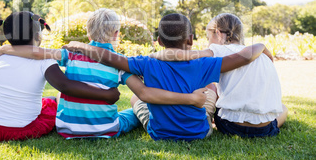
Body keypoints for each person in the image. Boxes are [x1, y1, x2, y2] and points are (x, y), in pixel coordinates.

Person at [0, 9, 208, 139]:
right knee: (132, 110)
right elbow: (142, 92)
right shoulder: (120, 63)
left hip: (66, 129)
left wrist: (5, 49)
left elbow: (37, 52)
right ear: (116, 34)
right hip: (107, 129)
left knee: (59, 98)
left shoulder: (70, 54)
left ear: (87, 32)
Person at [62, 13, 273, 141]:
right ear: (190, 39)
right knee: (210, 88)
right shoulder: (204, 63)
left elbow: (113, 59)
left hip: (160, 132)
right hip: (199, 133)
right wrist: (261, 46)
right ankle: (205, 117)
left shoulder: (146, 62)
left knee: (137, 98)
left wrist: (82, 46)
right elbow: (244, 57)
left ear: (159, 42)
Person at [0, 11, 122, 143]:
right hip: (26, 128)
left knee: (48, 100)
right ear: (38, 36)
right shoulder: (45, 60)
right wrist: (106, 94)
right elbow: (65, 86)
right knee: (52, 103)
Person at [153, 13, 287, 138]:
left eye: (208, 38)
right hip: (264, 129)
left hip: (230, 126)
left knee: (210, 86)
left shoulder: (217, 50)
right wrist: (261, 46)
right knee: (284, 108)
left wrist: (153, 56)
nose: (208, 43)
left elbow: (182, 55)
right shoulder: (260, 55)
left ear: (217, 33)